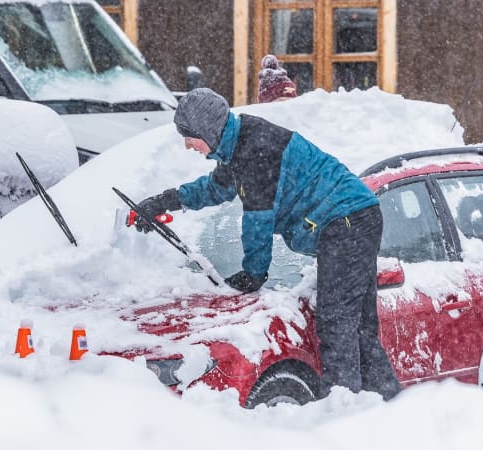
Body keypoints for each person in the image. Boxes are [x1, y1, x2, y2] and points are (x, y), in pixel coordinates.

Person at [133, 88, 401, 401]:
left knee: (336, 322)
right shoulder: (239, 147)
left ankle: (342, 406)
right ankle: (385, 401)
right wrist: (166, 201)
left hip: (346, 222)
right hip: (355, 218)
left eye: (190, 136)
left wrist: (253, 274)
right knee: (358, 327)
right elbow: (214, 190)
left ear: (208, 130)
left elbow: (257, 219)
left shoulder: (256, 148)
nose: (187, 145)